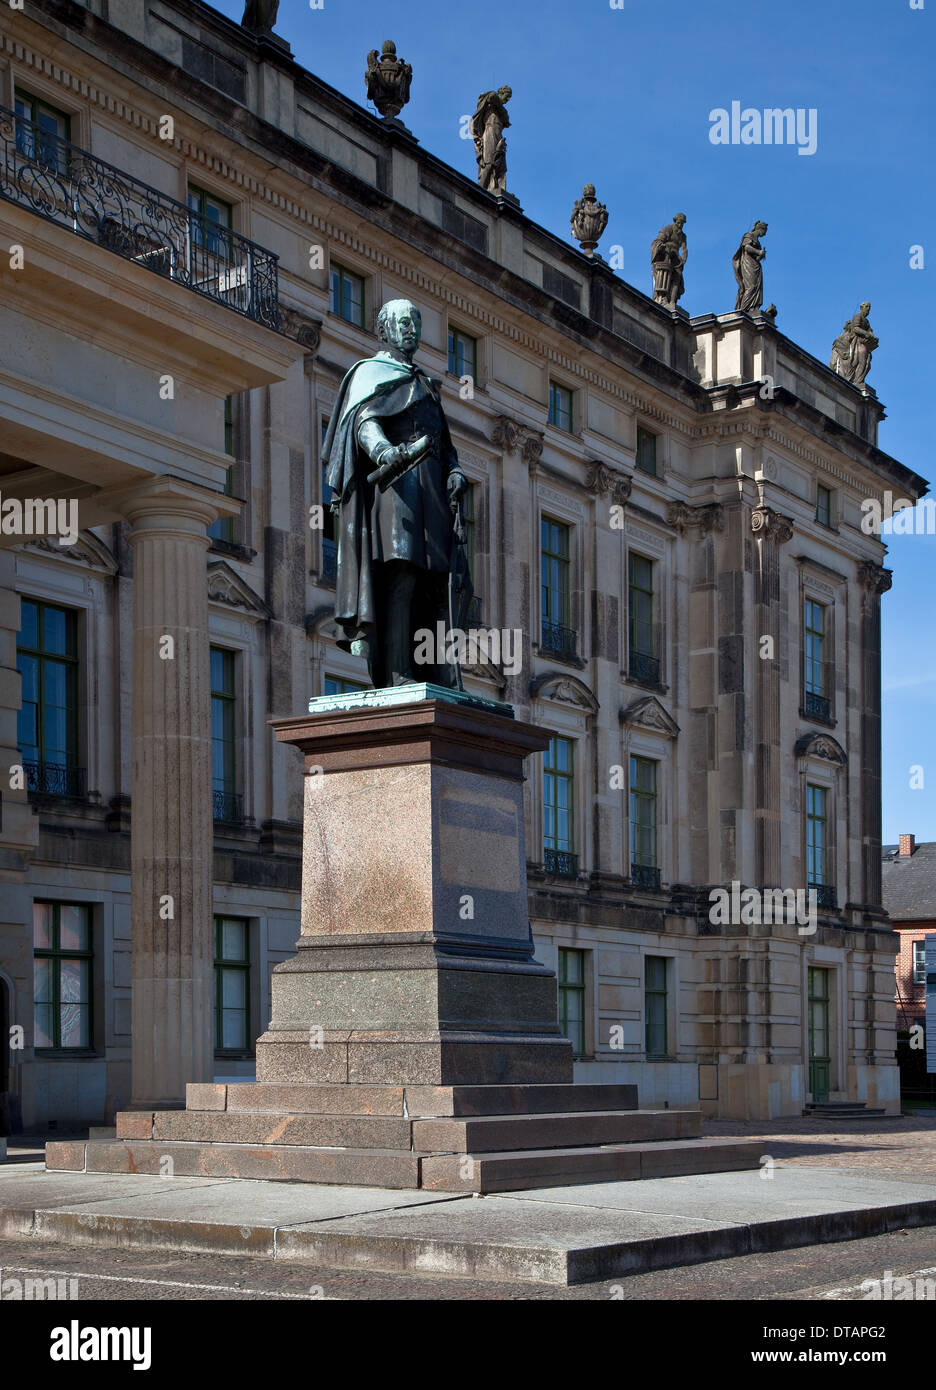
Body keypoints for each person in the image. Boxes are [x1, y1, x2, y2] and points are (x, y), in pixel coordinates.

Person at [323, 299, 471, 688]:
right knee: (402, 578)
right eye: (403, 322)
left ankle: (442, 673)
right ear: (384, 330)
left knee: (437, 582)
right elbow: (363, 423)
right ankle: (399, 673)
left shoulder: (425, 384)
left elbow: (445, 444)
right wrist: (384, 452)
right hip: (397, 490)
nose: (411, 329)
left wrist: (455, 472)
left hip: (434, 496)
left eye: (416, 322)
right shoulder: (369, 374)